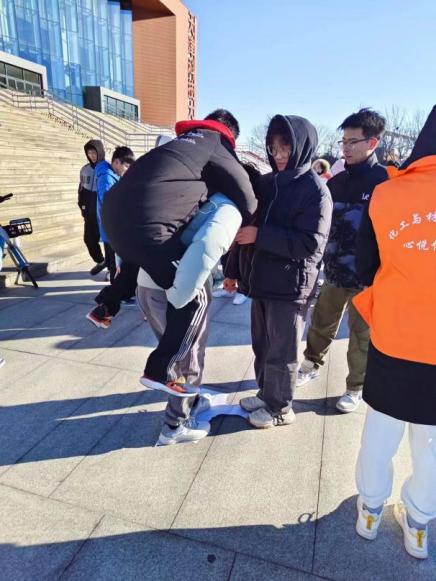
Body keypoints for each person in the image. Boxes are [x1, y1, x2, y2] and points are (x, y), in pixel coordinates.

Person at [102, 109, 257, 402]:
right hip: (153, 242)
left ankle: (106, 305)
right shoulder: (215, 141)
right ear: (230, 135)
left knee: (142, 256)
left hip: (114, 221)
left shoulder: (177, 147)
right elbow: (245, 196)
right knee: (191, 302)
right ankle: (161, 372)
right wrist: (247, 218)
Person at [353, 106, 436, 560]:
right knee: (433, 444)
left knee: (381, 428)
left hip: (394, 335)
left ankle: (369, 509)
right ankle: (418, 521)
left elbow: (366, 266)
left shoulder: (387, 193)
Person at [225, 114, 333, 429]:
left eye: (285, 147)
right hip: (261, 280)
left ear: (301, 146)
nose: (279, 154)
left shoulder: (315, 190)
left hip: (290, 285)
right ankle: (266, 395)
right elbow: (245, 227)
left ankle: (281, 407)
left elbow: (309, 243)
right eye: (273, 148)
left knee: (282, 350)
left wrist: (261, 236)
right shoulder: (268, 182)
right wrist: (233, 271)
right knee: (262, 345)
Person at [297, 109, 389, 413]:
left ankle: (355, 387)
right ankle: (311, 363)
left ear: (372, 142)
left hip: (369, 279)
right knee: (321, 323)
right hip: (334, 273)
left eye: (353, 142)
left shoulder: (385, 182)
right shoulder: (335, 183)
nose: (345, 148)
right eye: (343, 141)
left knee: (362, 336)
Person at [86, 146, 136, 328]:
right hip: (113, 232)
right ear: (116, 162)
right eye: (125, 166)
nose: (126, 170)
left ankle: (112, 300)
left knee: (120, 266)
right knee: (118, 267)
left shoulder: (111, 175)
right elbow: (109, 205)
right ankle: (111, 301)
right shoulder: (107, 177)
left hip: (114, 231)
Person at [78, 140, 106, 275]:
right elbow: (81, 190)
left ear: (100, 152)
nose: (92, 156)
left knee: (109, 244)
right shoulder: (85, 169)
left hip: (104, 214)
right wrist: (82, 206)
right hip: (89, 214)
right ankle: (101, 261)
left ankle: (112, 269)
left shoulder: (107, 168)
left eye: (94, 152)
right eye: (89, 153)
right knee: (89, 240)